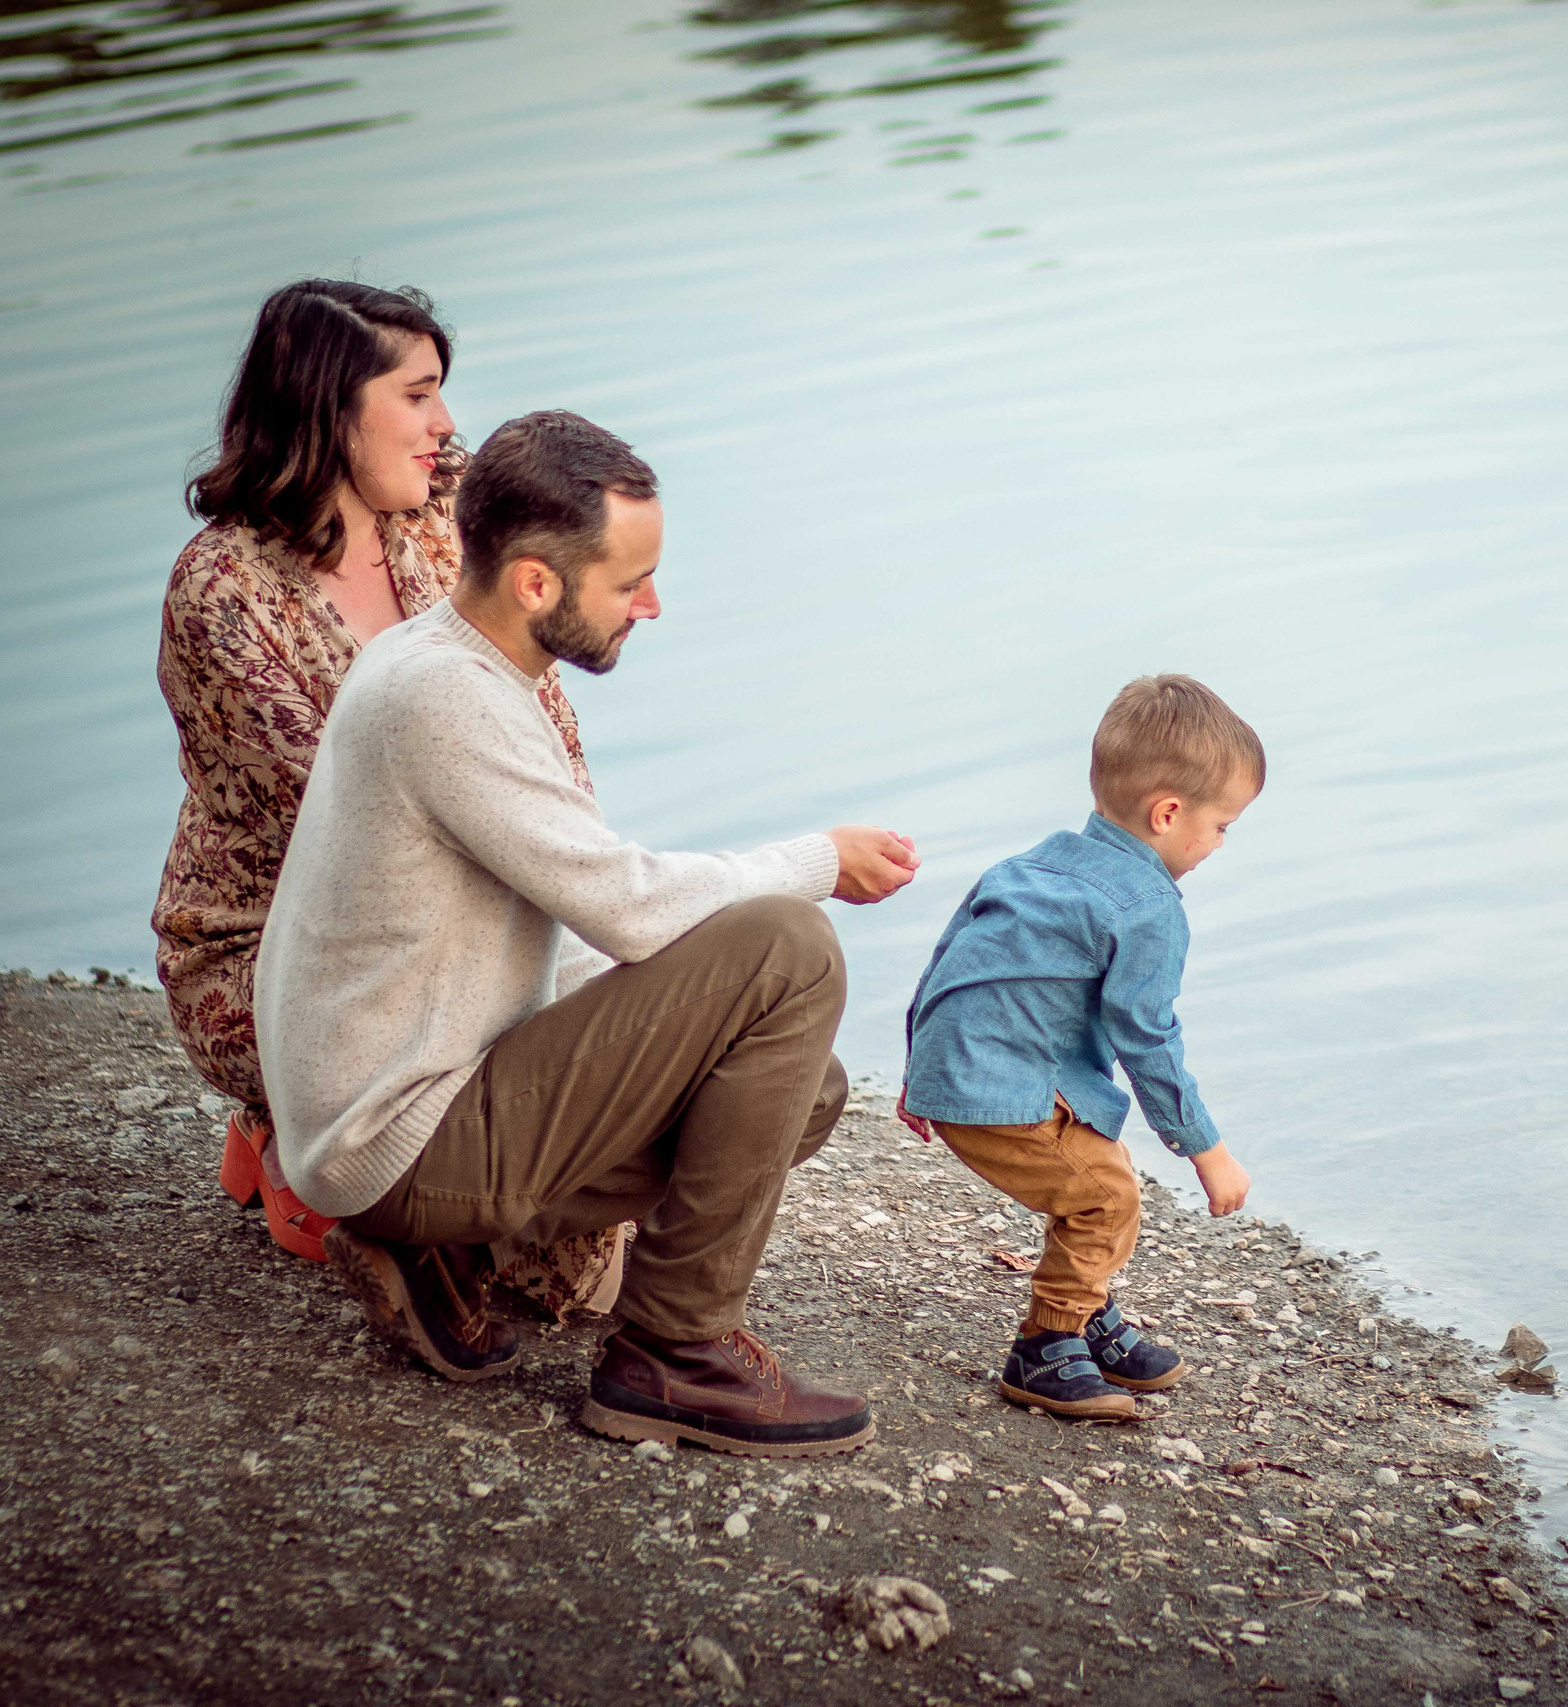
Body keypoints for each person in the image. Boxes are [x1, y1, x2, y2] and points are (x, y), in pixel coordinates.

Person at [258, 410, 920, 1456]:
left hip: (398, 1104)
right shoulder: (444, 698)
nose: (651, 605)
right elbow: (629, 905)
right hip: (391, 1131)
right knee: (789, 951)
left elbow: (570, 924)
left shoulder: (449, 663)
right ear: (536, 582)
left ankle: (445, 1253)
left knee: (798, 1089)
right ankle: (673, 1351)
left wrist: (684, 1019)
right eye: (630, 582)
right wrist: (816, 862)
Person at [153, 280, 617, 1311]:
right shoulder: (222, 593)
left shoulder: (443, 521)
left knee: (586, 1269)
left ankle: (368, 1176)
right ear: (330, 408)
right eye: (417, 395)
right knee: (536, 1190)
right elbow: (350, 839)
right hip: (293, 951)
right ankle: (310, 1138)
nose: (444, 422)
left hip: (465, 919)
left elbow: (546, 738)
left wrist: (587, 895)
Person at [897, 674, 1261, 1421]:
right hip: (999, 1082)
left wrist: (917, 1069)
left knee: (1093, 1160)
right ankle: (1046, 1345)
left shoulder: (1029, 865)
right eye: (1223, 824)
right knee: (1104, 1194)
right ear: (1168, 813)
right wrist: (1206, 1148)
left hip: (960, 1063)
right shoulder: (1148, 907)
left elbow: (949, 959)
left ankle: (1088, 1311)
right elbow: (1147, 1037)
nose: (1222, 842)